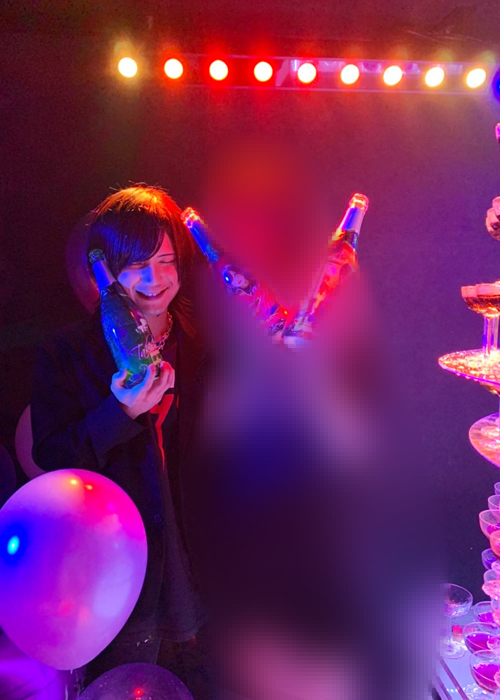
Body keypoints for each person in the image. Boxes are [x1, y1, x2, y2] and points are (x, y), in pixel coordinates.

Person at [30, 185, 212, 698]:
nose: (155, 280)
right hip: (120, 583)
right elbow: (52, 459)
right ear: (106, 272)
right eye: (136, 266)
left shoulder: (207, 343)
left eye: (166, 261)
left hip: (209, 577)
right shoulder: (66, 352)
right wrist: (119, 413)